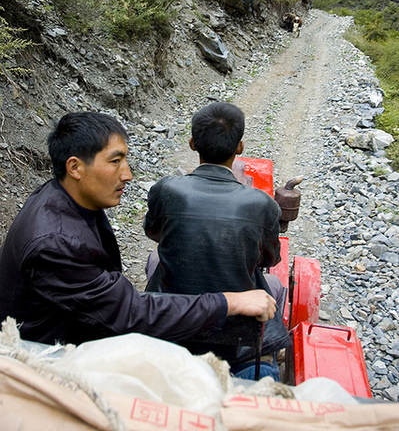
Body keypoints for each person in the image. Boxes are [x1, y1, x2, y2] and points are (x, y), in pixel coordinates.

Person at [0, 111, 275, 347]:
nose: (127, 174)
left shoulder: (59, 197)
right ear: (75, 167)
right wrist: (229, 302)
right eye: (115, 161)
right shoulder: (56, 244)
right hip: (50, 356)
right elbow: (132, 314)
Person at [144, 102, 289, 378]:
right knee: (274, 286)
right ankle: (270, 355)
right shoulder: (263, 203)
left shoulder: (165, 189)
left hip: (171, 323)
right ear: (240, 147)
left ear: (192, 144)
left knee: (155, 262)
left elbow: (154, 233)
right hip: (236, 341)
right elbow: (269, 259)